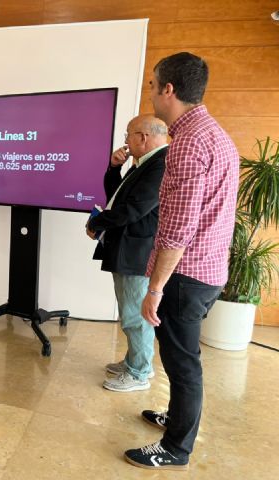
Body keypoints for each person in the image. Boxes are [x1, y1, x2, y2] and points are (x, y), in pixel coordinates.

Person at [123, 52, 239, 471]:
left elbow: (177, 230)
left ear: (169, 89)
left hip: (185, 276)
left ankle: (175, 447)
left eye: (153, 85)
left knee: (182, 363)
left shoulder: (188, 144)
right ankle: (176, 419)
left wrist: (154, 289)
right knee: (182, 357)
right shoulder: (215, 134)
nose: (151, 93)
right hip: (208, 270)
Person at [86, 115, 168, 392]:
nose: (126, 142)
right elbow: (116, 199)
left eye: (128, 135)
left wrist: (96, 223)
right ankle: (135, 361)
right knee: (131, 311)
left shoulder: (160, 165)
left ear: (143, 137)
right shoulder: (145, 163)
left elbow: (133, 210)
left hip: (137, 252)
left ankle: (139, 372)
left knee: (135, 315)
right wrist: (113, 168)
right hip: (128, 248)